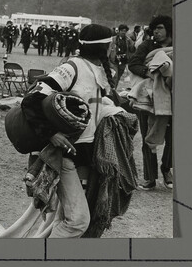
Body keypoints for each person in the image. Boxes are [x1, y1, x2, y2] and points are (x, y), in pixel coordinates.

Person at [20, 24, 119, 238]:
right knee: (78, 222)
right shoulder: (72, 67)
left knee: (67, 215)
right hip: (65, 155)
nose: (113, 48)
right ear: (101, 46)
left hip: (86, 155)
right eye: (110, 44)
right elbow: (31, 100)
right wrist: (50, 134)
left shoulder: (100, 70)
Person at [127, 15, 173, 190]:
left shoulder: (180, 44)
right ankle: (149, 177)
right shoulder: (147, 46)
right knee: (148, 135)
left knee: (172, 137)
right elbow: (133, 63)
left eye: (160, 28)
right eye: (154, 28)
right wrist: (150, 72)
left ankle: (167, 170)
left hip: (173, 96)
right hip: (149, 97)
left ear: (168, 28)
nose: (156, 31)